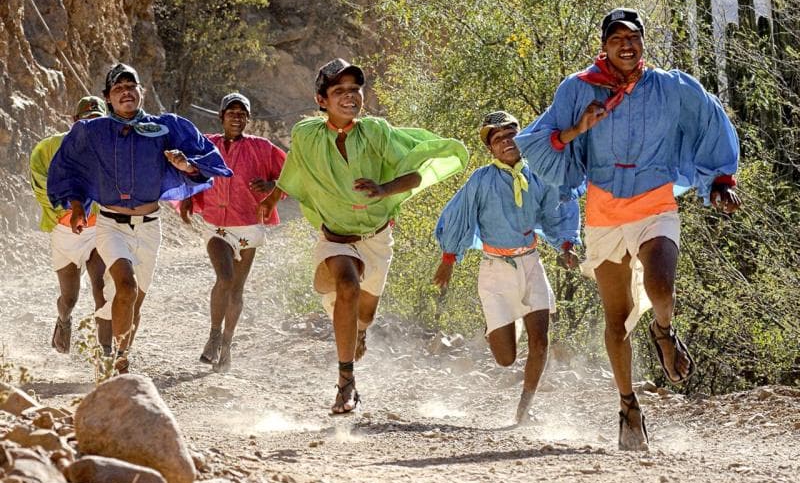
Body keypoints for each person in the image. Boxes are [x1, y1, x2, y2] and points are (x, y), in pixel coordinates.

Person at [516, 8, 741, 450]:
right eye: (616, 37)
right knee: (615, 321)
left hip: (654, 201)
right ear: (604, 46)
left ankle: (662, 329)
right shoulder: (577, 89)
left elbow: (711, 122)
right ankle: (628, 406)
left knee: (661, 285)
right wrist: (579, 127)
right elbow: (541, 140)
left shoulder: (671, 87)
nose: (626, 44)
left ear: (642, 43)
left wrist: (720, 180)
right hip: (603, 211)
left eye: (633, 37)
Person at [260, 58, 468, 413]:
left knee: (365, 315)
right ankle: (345, 382)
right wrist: (273, 197)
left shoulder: (376, 132)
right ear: (321, 99)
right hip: (335, 238)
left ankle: (357, 330)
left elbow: (416, 175)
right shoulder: (306, 135)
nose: (349, 96)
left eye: (354, 89)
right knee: (347, 286)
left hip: (376, 238)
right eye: (338, 90)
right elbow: (294, 171)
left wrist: (384, 189)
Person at [47, 63, 232, 373]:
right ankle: (117, 362)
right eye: (118, 88)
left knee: (134, 304)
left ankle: (116, 351)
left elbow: (207, 159)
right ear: (107, 97)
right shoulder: (93, 132)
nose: (126, 92)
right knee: (126, 287)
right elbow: (68, 168)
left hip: (149, 227)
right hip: (110, 225)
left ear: (141, 92)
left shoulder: (167, 128)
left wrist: (186, 165)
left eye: (131, 86)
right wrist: (77, 205)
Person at [433, 111, 580, 424]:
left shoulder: (539, 175)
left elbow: (556, 212)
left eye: (511, 134)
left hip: (530, 262)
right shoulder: (481, 180)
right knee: (505, 358)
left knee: (540, 341)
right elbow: (459, 216)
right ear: (491, 149)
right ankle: (499, 326)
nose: (506, 142)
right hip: (495, 269)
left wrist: (566, 245)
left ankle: (523, 412)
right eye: (497, 139)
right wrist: (449, 259)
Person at [180, 92, 286, 373]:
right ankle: (214, 335)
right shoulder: (207, 144)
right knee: (224, 278)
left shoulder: (262, 148)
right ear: (221, 117)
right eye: (232, 113)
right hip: (216, 224)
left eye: (242, 114)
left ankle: (227, 344)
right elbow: (190, 171)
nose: (237, 118)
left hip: (248, 225)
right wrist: (188, 198)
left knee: (237, 289)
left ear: (248, 119)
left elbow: (292, 174)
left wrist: (272, 185)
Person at [30, 96, 113, 356]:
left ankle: (106, 355)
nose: (91, 125)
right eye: (86, 120)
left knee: (101, 287)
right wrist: (64, 209)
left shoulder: (112, 148)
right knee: (70, 298)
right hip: (65, 232)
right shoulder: (50, 147)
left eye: (97, 120)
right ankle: (63, 320)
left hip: (98, 229)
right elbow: (39, 180)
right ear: (75, 122)